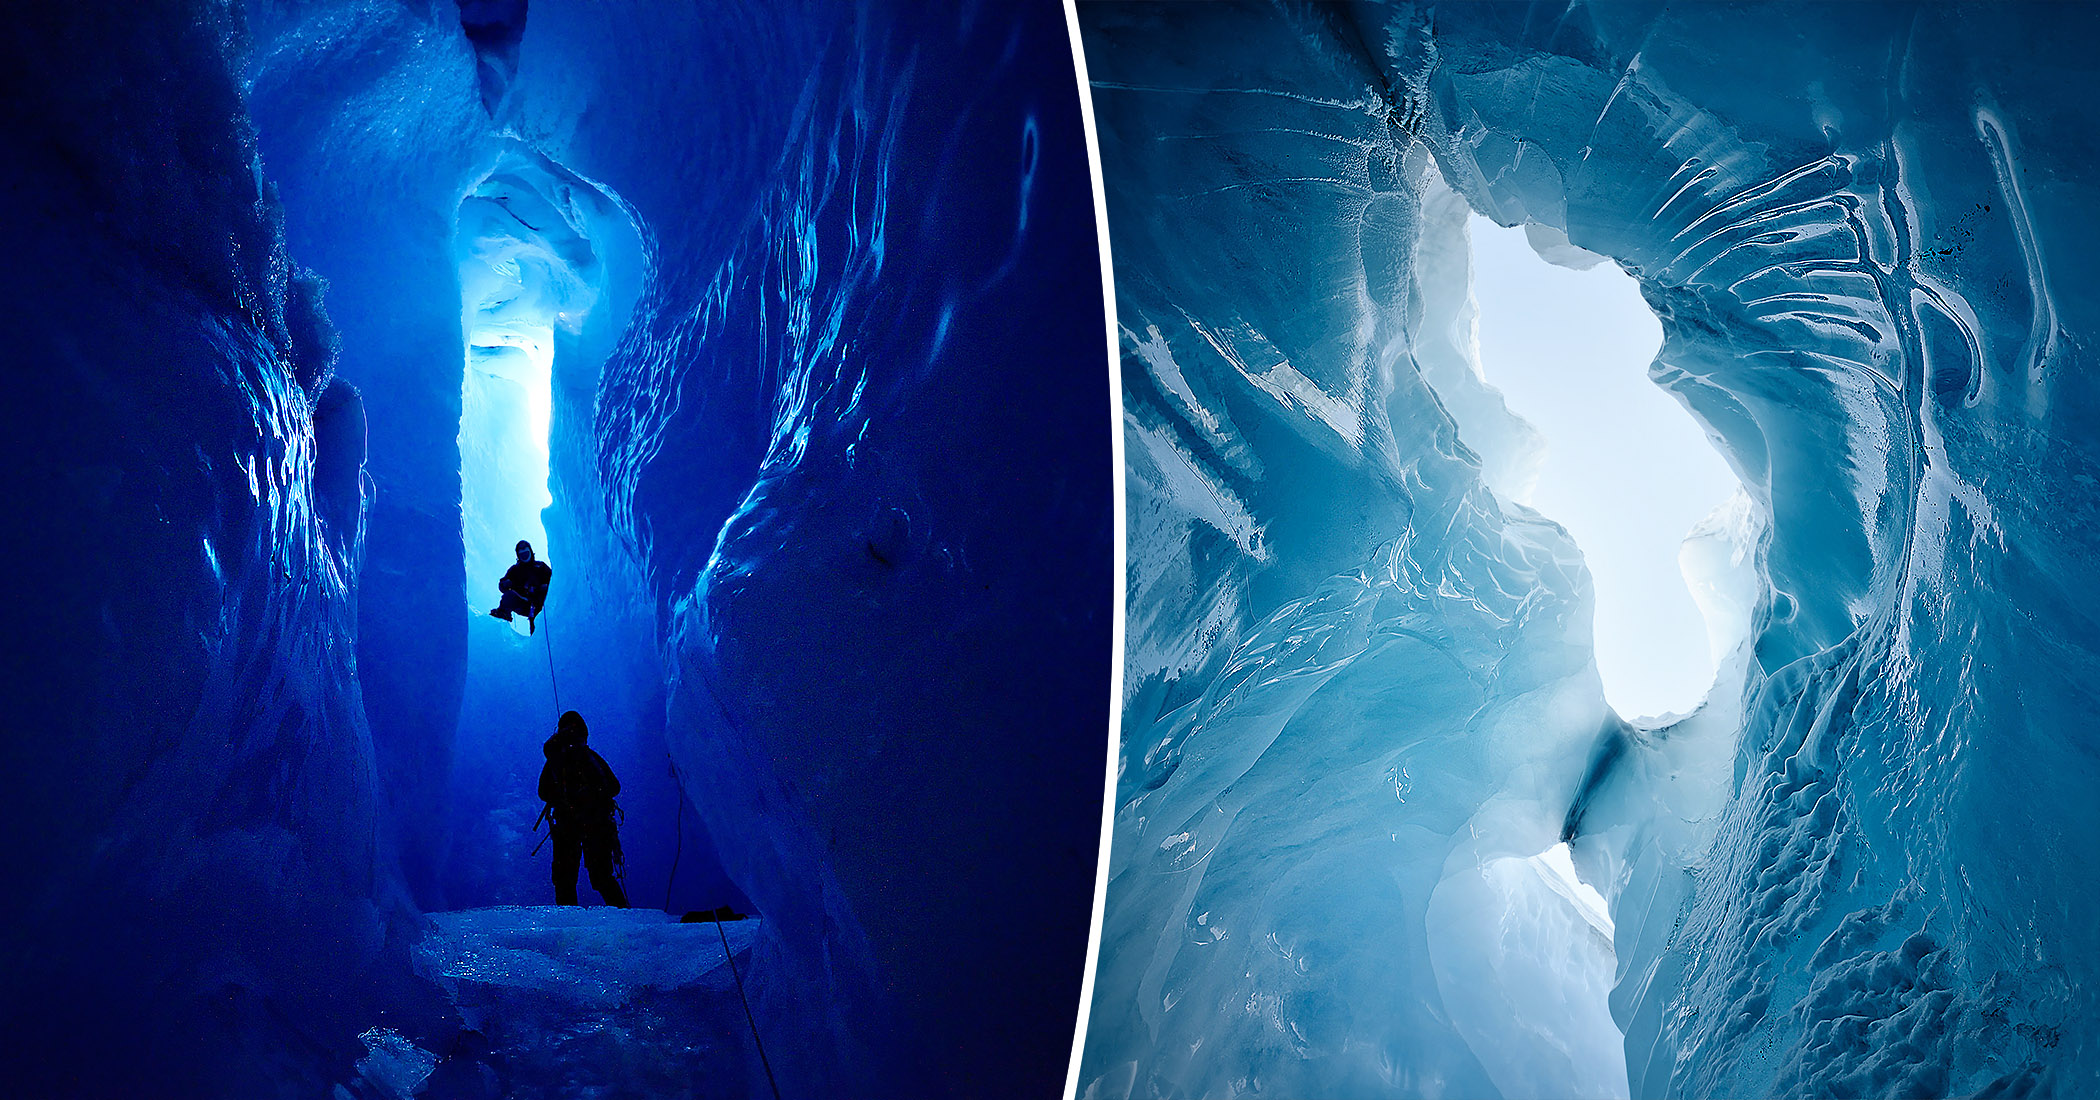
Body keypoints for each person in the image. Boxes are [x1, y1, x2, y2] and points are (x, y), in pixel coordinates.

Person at [538, 710, 629, 907]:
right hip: (596, 824)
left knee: (565, 880)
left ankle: (569, 925)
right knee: (601, 877)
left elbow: (543, 792)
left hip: (566, 825)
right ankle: (626, 918)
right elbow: (614, 786)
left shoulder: (555, 761)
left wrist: (564, 801)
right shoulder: (590, 757)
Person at [489, 539, 552, 631]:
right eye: (522, 554)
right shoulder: (514, 570)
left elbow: (554, 580)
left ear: (530, 551)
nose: (524, 556)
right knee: (509, 596)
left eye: (526, 553)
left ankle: (538, 638)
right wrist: (505, 584)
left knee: (536, 624)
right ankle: (503, 614)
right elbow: (502, 585)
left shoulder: (541, 566)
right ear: (518, 556)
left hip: (540, 603)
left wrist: (544, 588)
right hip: (523, 604)